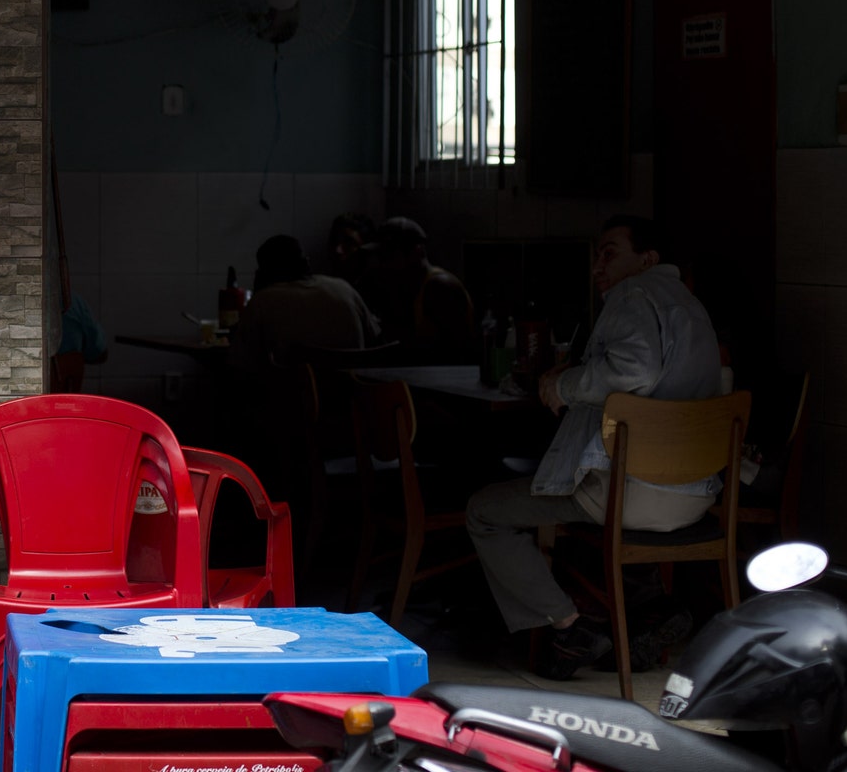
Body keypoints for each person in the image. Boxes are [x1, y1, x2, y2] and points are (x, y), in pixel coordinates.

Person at [465, 215, 721, 680]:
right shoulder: (691, 305)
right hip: (695, 494)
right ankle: (651, 608)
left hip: (631, 491)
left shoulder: (633, 292)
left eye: (609, 253)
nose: (597, 267)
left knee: (485, 510)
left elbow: (632, 371)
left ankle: (570, 627)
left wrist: (562, 385)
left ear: (647, 260)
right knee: (581, 499)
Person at [229, 234, 380, 367]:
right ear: (306, 262)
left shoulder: (262, 302)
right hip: (356, 395)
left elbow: (240, 361)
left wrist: (258, 293)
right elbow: (376, 341)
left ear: (264, 273)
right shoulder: (345, 289)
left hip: (297, 397)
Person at [370, 216, 474, 362]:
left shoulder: (440, 287)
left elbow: (456, 354)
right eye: (382, 257)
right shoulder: (406, 287)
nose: (384, 264)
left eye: (391, 256)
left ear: (416, 252)